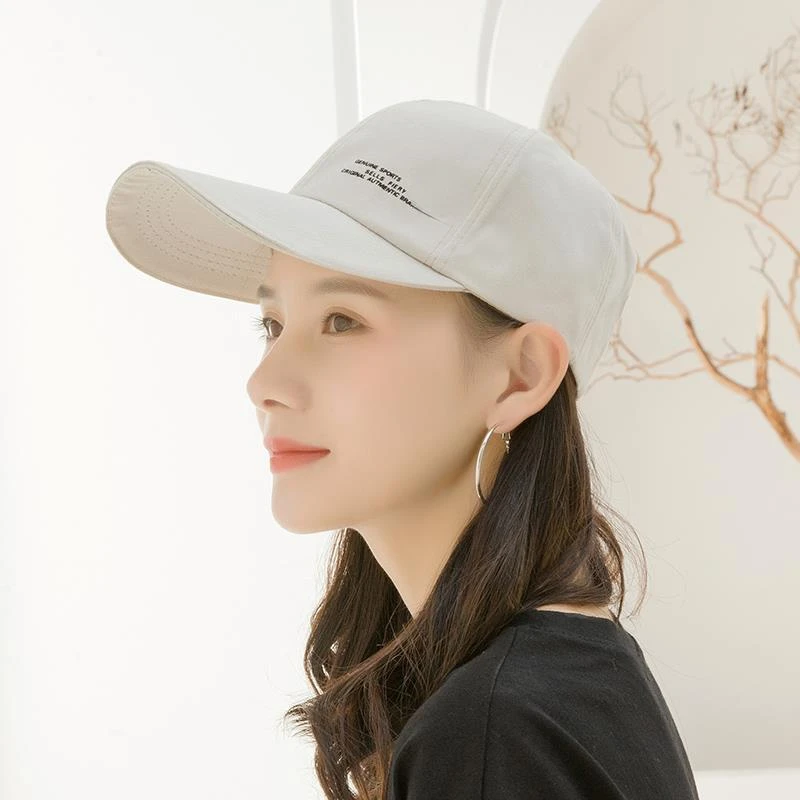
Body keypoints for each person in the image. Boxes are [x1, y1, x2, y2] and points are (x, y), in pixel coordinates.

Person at [105, 98, 700, 800]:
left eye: (341, 320)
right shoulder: (565, 681)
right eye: (273, 324)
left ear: (521, 376)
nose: (264, 384)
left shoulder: (489, 732)